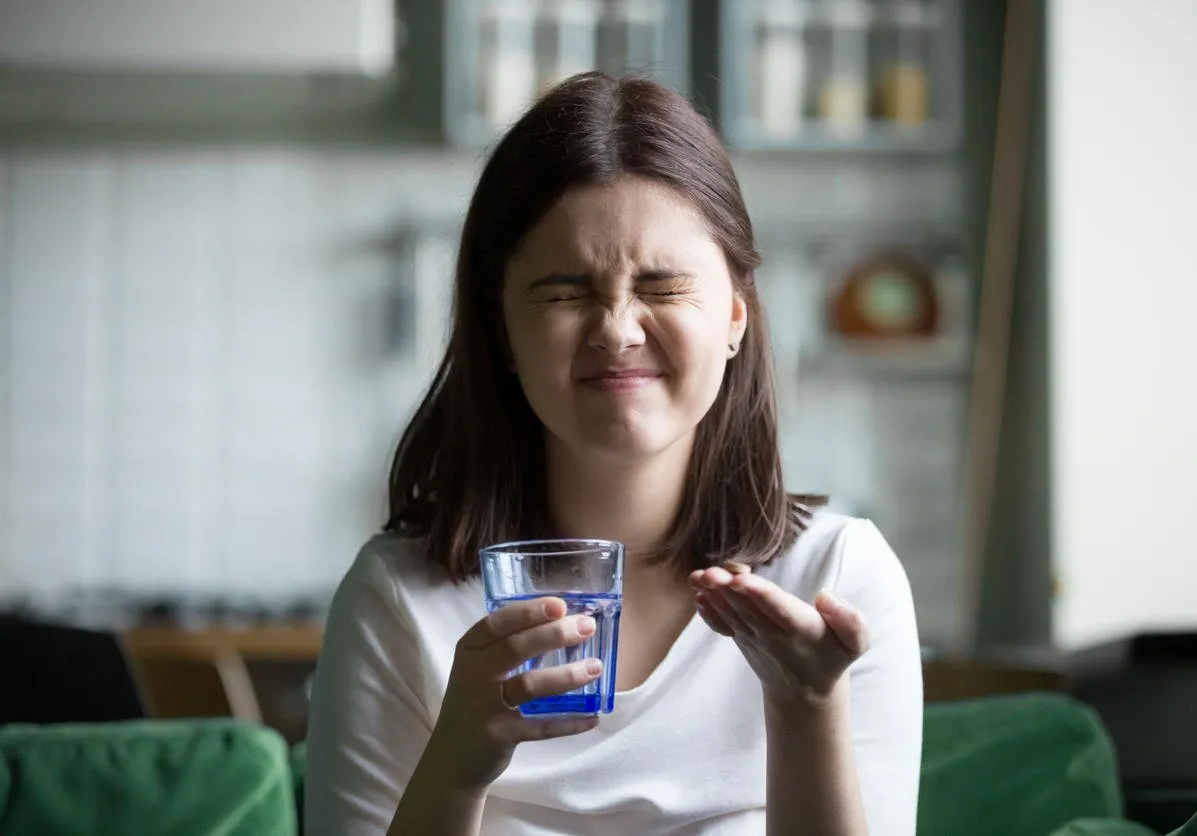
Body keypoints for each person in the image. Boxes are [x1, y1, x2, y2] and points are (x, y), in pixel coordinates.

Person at [304, 72, 922, 836]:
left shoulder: (837, 583)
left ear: (734, 318)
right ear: (501, 329)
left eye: (662, 288)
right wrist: (458, 761)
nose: (617, 329)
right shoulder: (397, 599)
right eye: (566, 293)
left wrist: (808, 706)